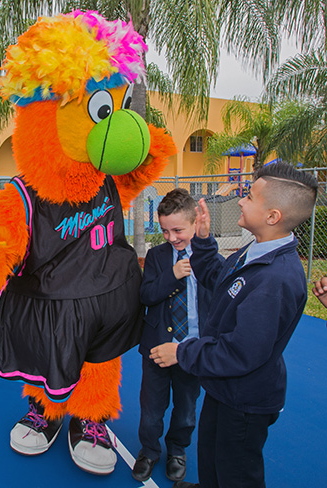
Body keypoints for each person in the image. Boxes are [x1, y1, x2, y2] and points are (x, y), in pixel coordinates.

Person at [151, 162, 318, 488]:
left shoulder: (275, 279)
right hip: (224, 388)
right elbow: (218, 278)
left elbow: (240, 353)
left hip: (244, 399)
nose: (240, 200)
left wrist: (181, 352)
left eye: (251, 197)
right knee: (212, 454)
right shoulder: (257, 250)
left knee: (236, 472)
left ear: (273, 216)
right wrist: (202, 240)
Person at [132, 189, 212, 483]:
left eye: (178, 230)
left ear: (195, 223)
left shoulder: (208, 256)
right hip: (156, 349)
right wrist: (173, 274)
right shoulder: (156, 256)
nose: (171, 237)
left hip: (191, 350)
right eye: (165, 230)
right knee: (151, 407)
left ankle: (177, 449)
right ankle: (149, 450)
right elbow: (147, 295)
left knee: (187, 408)